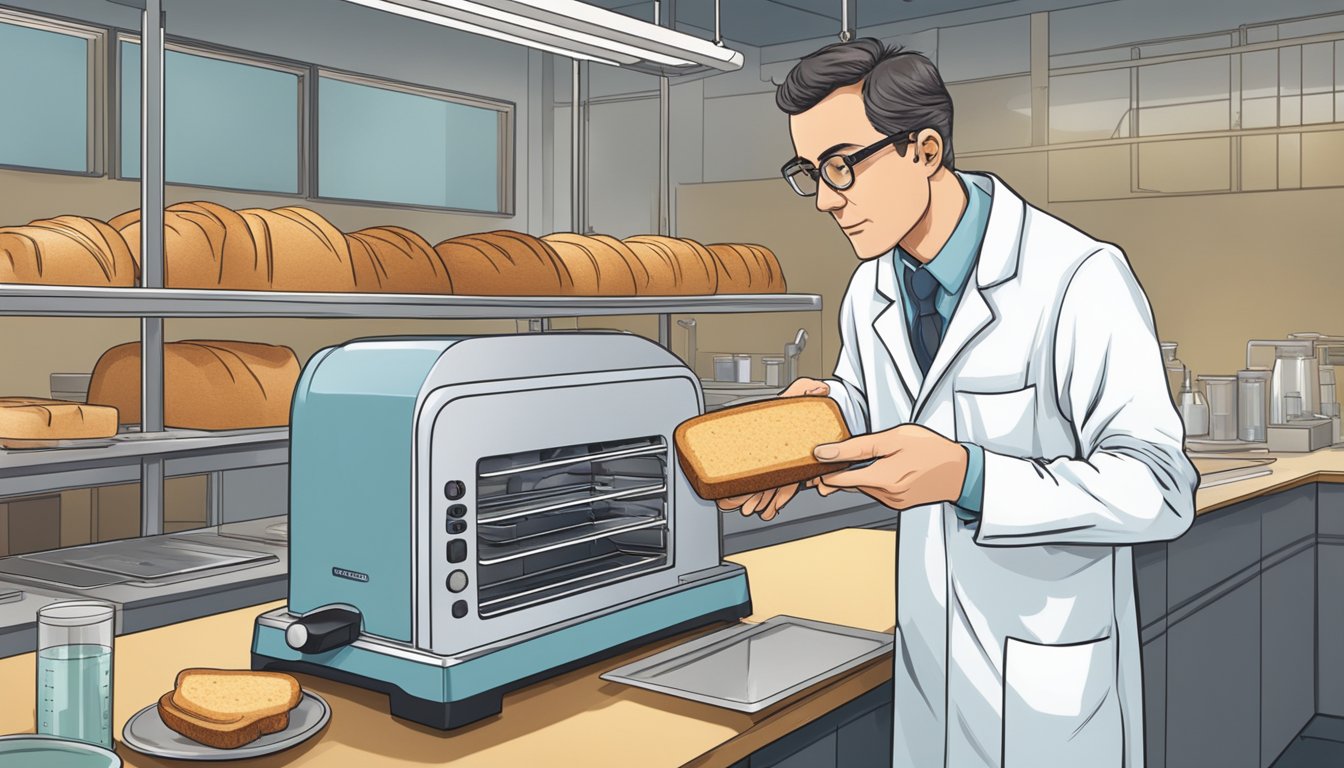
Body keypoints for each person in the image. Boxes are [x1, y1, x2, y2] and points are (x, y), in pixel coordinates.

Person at [717, 38, 1198, 768]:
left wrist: (970, 477)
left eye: (842, 164)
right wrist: (825, 417)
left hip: (1049, 681)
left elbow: (1159, 488)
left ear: (926, 149)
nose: (824, 197)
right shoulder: (872, 289)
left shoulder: (1077, 278)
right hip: (935, 668)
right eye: (808, 173)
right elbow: (877, 399)